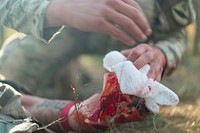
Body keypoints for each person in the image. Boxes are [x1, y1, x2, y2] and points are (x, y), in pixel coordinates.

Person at [0, 0, 195, 132]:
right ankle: (69, 85)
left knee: (130, 100)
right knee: (15, 60)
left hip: (132, 49)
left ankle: (89, 89)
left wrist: (162, 55)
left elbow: (176, 35)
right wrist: (59, 8)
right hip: (62, 34)